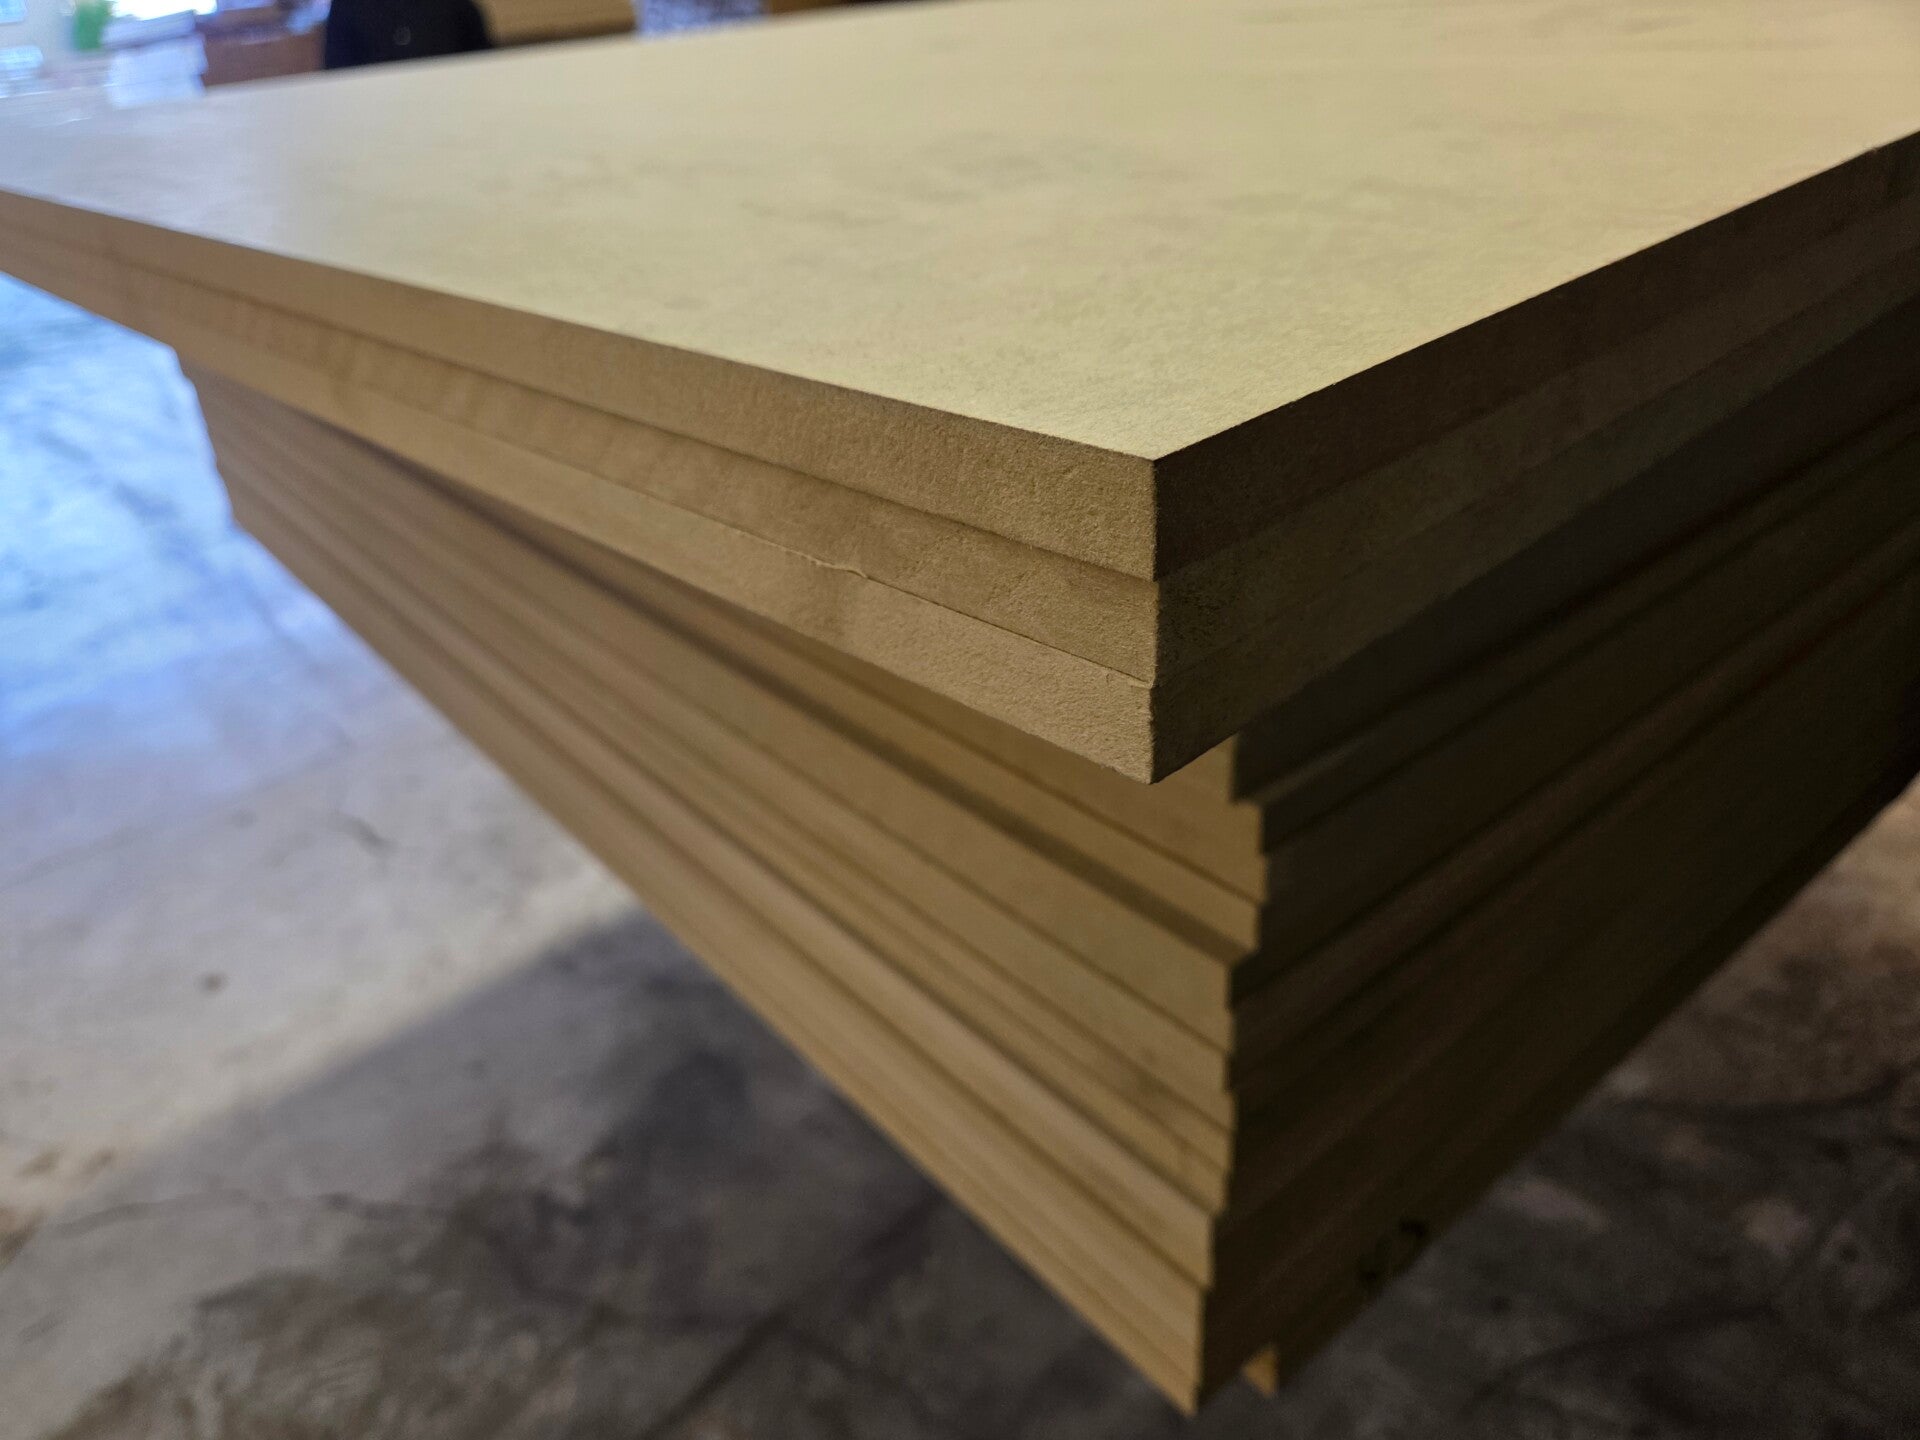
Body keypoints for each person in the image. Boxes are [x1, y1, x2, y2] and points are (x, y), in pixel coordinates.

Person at [323, 0, 492, 68]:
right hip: (374, 117)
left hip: (452, 111)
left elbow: (484, 66)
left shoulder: (456, 6)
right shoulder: (348, 7)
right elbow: (337, 78)